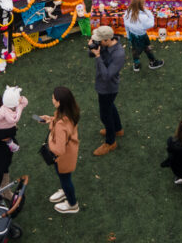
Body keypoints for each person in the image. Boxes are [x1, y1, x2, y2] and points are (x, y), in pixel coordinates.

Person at [39, 85, 80, 214]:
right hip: (70, 152)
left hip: (63, 158)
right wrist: (50, 120)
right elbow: (61, 124)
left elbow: (59, 150)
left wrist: (50, 139)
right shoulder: (70, 112)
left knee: (65, 179)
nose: (52, 99)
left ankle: (72, 204)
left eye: (53, 98)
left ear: (59, 102)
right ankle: (65, 191)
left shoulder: (61, 124)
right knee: (64, 178)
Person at [90, 24, 125, 155]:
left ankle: (110, 142)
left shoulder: (119, 54)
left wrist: (98, 56)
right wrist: (91, 48)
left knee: (105, 115)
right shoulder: (105, 44)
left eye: (99, 40)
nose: (97, 42)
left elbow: (106, 76)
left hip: (108, 88)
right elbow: (90, 54)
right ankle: (118, 129)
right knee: (110, 106)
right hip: (104, 86)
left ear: (107, 40)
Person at [124, 0, 164, 71]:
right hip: (142, 35)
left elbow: (126, 26)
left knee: (135, 50)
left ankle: (136, 64)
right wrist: (149, 13)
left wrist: (128, 35)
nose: (144, 4)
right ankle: (153, 62)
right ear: (140, 5)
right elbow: (151, 24)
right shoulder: (143, 17)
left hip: (132, 34)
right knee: (147, 47)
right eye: (143, 3)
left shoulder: (127, 12)